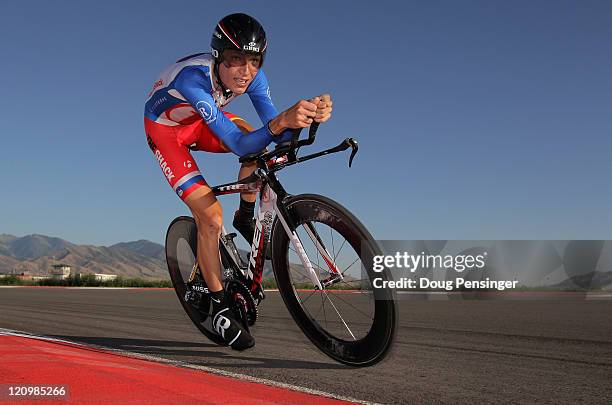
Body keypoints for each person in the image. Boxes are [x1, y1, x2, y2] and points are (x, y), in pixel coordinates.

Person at [144, 13, 332, 350]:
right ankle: (219, 305)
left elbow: (274, 132)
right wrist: (280, 125)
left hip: (200, 122)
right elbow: (238, 145)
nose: (245, 71)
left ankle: (246, 215)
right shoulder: (193, 81)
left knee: (256, 145)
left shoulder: (254, 79)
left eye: (255, 61)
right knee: (210, 216)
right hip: (167, 131)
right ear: (218, 56)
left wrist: (304, 118)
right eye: (236, 60)